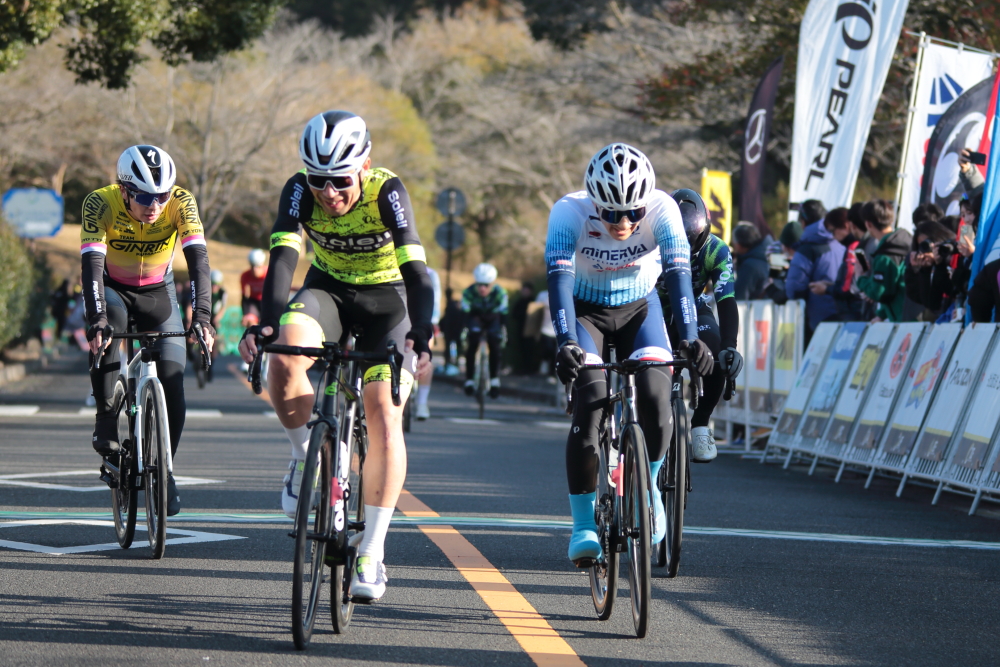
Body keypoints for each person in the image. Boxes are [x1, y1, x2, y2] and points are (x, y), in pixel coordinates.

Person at [237, 110, 433, 601]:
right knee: (284, 357)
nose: (328, 192)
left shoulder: (387, 191)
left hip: (390, 300)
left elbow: (416, 270)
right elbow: (284, 258)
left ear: (364, 166)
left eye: (340, 180)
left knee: (384, 413)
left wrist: (423, 330)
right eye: (318, 178)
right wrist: (267, 323)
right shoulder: (298, 190)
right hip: (328, 291)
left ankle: (372, 552)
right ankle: (306, 457)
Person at [545, 143, 712, 565]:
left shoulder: (663, 210)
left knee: (657, 397)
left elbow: (679, 276)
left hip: (641, 309)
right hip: (585, 312)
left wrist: (690, 337)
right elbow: (559, 283)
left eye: (633, 212)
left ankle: (648, 486)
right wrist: (565, 341)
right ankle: (583, 525)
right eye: (611, 213)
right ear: (593, 202)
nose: (623, 223)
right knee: (591, 404)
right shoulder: (567, 213)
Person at [81, 144, 215, 516]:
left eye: (161, 195)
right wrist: (97, 319)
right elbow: (91, 267)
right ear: (124, 190)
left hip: (158, 292)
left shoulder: (181, 203)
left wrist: (202, 316)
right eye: (143, 197)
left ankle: (165, 471)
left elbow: (199, 262)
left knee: (173, 378)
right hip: (112, 289)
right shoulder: (100, 202)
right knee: (109, 330)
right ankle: (105, 416)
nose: (154, 205)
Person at [658, 190, 743, 460]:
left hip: (693, 307)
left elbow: (726, 299)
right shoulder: (652, 243)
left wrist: (730, 345)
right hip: (654, 311)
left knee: (717, 354)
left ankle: (701, 424)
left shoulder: (716, 250)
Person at [786, 199, 845, 332]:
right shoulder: (841, 242)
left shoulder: (807, 249)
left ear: (803, 222)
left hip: (818, 322)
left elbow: (794, 289)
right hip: (846, 315)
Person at [807, 208, 871, 321]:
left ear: (846, 226)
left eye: (833, 231)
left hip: (853, 311)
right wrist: (832, 285)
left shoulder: (854, 247)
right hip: (857, 310)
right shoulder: (858, 245)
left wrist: (827, 289)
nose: (832, 236)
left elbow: (849, 288)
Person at [857, 199, 912, 322]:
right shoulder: (905, 240)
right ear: (891, 220)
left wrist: (859, 277)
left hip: (905, 320)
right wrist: (881, 315)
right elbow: (895, 286)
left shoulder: (885, 254)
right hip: (915, 313)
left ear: (868, 224)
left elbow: (879, 292)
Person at [461, 263, 508, 399]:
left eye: (486, 285)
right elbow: (465, 313)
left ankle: (494, 380)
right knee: (472, 342)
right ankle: (469, 379)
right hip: (475, 316)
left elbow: (504, 314)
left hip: (493, 317)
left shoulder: (500, 293)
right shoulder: (468, 292)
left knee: (494, 343)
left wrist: (504, 331)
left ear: (492, 284)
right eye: (479, 284)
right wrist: (464, 330)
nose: (482, 288)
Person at [414, 266, 441, 420]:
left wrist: (434, 321)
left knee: (426, 354)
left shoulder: (431, 274)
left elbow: (435, 298)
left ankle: (422, 402)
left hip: (424, 319)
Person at [731, 222, 769, 301]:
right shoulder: (767, 256)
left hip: (754, 308)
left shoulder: (749, 266)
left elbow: (738, 297)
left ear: (738, 245)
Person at [241, 248, 267, 327]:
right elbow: (244, 297)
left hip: (267, 301)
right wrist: (246, 314)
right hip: (254, 301)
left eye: (258, 266)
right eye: (252, 266)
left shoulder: (269, 273)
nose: (255, 270)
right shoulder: (245, 276)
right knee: (250, 323)